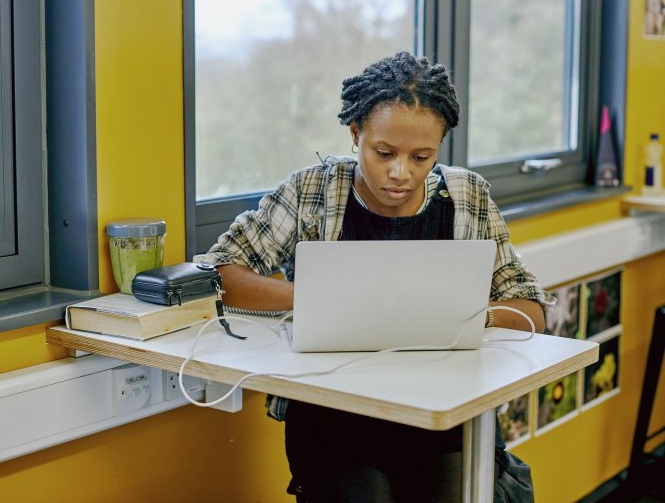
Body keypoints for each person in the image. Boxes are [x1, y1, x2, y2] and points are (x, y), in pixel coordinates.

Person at [198, 51, 554, 502]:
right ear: (355, 134)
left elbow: (530, 310)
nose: (400, 173)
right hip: (334, 415)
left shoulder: (467, 196)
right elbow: (220, 271)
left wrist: (473, 315)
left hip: (444, 411)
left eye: (421, 156)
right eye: (383, 152)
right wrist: (315, 297)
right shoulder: (313, 191)